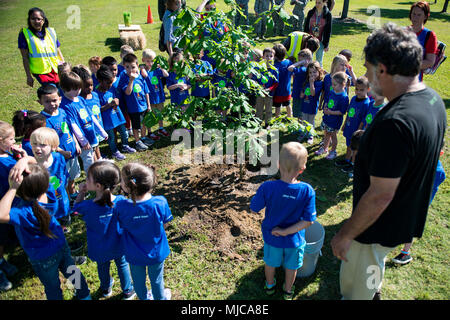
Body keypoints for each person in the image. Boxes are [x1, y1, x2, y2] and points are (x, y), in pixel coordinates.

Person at [331, 22, 446, 300]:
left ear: (382, 69)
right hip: (401, 221)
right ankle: (374, 290)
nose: (366, 79)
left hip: (374, 229)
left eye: (369, 70)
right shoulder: (432, 100)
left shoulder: (394, 123)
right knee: (373, 273)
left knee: (357, 290)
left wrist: (346, 234)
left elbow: (381, 195)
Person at [0, 163, 91, 300]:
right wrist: (25, 158)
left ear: (21, 191)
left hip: (41, 256)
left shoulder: (22, 211)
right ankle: (85, 295)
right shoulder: (49, 195)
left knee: (52, 286)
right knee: (73, 272)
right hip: (60, 245)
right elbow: (39, 169)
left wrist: (12, 188)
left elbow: (1, 214)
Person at [250, 142, 316, 300]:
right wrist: (287, 232)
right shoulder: (307, 191)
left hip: (272, 236)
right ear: (302, 169)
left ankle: (270, 285)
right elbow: (308, 221)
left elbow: (254, 208)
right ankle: (287, 291)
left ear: (278, 164)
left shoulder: (267, 187)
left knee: (270, 262)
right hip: (295, 240)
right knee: (292, 266)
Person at [73, 161, 136, 300]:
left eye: (87, 178)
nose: (85, 180)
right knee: (123, 265)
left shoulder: (87, 206)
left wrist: (81, 193)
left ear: (98, 186)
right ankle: (128, 290)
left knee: (102, 267)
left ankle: (106, 288)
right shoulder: (120, 201)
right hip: (119, 245)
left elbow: (75, 208)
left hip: (99, 247)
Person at [116, 163, 173, 300]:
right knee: (157, 280)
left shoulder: (121, 206)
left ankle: (143, 298)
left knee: (138, 281)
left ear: (128, 186)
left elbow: (120, 226)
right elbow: (165, 223)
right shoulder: (160, 202)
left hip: (133, 254)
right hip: (156, 252)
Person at [392, 146, 446, 265]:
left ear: (440, 153)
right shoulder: (420, 159)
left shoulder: (438, 172)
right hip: (407, 196)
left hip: (418, 202)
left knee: (410, 224)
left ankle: (405, 253)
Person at [59, 71, 107, 174]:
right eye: (75, 89)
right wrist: (83, 141)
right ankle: (91, 180)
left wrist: (101, 131)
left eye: (79, 88)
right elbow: (72, 125)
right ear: (65, 88)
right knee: (88, 160)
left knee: (92, 155)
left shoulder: (80, 99)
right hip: (82, 140)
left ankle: (95, 174)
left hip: (90, 134)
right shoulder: (65, 105)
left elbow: (91, 116)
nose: (78, 91)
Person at [38, 84, 81, 197]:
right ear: (40, 102)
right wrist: (61, 152)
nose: (52, 104)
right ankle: (67, 197)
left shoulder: (62, 112)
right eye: (47, 101)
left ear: (60, 99)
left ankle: (72, 193)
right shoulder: (43, 120)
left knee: (73, 175)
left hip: (72, 151)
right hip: (60, 156)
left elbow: (69, 130)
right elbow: (47, 142)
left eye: (54, 100)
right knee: (63, 179)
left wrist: (76, 143)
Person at [95, 66, 136, 161]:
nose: (110, 84)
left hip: (117, 116)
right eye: (108, 82)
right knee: (112, 137)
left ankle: (125, 145)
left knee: (124, 132)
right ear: (100, 81)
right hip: (108, 121)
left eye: (111, 82)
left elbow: (116, 99)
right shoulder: (96, 94)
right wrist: (109, 105)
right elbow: (98, 110)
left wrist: (116, 101)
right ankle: (114, 151)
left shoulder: (111, 89)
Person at [19, 7, 64, 87]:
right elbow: (25, 57)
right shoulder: (24, 34)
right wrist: (28, 76)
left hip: (56, 69)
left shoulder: (51, 32)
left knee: (62, 90)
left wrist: (64, 65)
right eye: (33, 19)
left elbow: (58, 51)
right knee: (52, 91)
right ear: (29, 20)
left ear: (43, 20)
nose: (36, 21)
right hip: (40, 72)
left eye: (39, 19)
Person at [336, 76, 372, 175]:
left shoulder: (366, 103)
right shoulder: (353, 99)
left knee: (355, 148)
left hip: (356, 130)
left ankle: (352, 163)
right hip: (349, 126)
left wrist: (358, 131)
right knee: (348, 144)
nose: (358, 92)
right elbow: (349, 113)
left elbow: (363, 120)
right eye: (356, 89)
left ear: (368, 90)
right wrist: (344, 124)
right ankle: (347, 159)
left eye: (361, 90)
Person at [119, 53, 154, 150]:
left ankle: (143, 137)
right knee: (136, 126)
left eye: (133, 67)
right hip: (133, 108)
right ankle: (137, 141)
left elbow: (146, 91)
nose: (130, 69)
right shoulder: (124, 78)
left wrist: (149, 105)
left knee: (144, 123)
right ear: (124, 67)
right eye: (127, 67)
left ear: (137, 66)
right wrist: (131, 81)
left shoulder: (140, 77)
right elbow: (127, 92)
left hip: (143, 105)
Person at [315, 71, 349, 160]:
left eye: (335, 84)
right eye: (332, 84)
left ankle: (333, 151)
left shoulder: (344, 97)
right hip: (327, 118)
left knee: (333, 135)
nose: (332, 86)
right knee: (326, 133)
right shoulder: (332, 91)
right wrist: (325, 106)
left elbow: (342, 112)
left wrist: (330, 112)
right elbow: (327, 100)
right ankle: (325, 148)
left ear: (343, 84)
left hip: (334, 121)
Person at [75, 65, 106, 161]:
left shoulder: (95, 95)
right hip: (88, 127)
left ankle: (99, 158)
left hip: (98, 125)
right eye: (86, 86)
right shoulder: (80, 100)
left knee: (97, 144)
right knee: (92, 146)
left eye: (91, 85)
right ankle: (96, 163)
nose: (90, 88)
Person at [141, 49, 170, 138]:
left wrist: (161, 67)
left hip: (159, 96)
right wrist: (142, 67)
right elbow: (145, 75)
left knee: (160, 113)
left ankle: (161, 128)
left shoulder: (156, 70)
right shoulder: (144, 71)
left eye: (152, 61)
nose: (150, 63)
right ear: (143, 60)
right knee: (150, 115)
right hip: (151, 97)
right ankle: (150, 132)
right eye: (148, 61)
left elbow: (166, 75)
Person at [408, 1, 438, 82]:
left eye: (419, 15)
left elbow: (430, 61)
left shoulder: (429, 35)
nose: (415, 17)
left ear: (425, 16)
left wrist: (408, 65)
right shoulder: (402, 31)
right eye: (413, 14)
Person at [299, 61, 324, 143]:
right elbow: (302, 92)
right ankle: (304, 133)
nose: (312, 74)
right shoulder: (306, 81)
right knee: (304, 120)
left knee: (310, 122)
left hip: (312, 106)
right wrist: (302, 94)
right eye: (310, 72)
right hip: (305, 105)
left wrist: (311, 83)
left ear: (319, 72)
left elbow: (313, 93)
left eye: (314, 72)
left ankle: (310, 135)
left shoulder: (319, 83)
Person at [255, 48, 279, 127]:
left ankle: (267, 124)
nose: (268, 58)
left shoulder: (274, 70)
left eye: (271, 56)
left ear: (274, 57)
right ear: (263, 57)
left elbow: (276, 83)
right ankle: (258, 122)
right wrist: (258, 88)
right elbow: (255, 80)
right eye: (267, 56)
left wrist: (269, 89)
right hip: (260, 93)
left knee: (268, 110)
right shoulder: (259, 68)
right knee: (259, 109)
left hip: (269, 94)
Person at [304, 0, 332, 67]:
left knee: (319, 61)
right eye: (316, 2)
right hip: (310, 40)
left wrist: (326, 44)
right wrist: (305, 38)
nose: (317, 4)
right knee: (308, 60)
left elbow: (328, 30)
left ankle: (319, 76)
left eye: (319, 3)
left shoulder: (328, 14)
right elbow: (306, 26)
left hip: (320, 41)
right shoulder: (311, 12)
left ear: (324, 3)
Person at [288, 49, 313, 121]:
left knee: (300, 113)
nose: (298, 60)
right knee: (300, 113)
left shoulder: (302, 69)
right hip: (301, 93)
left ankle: (300, 127)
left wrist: (300, 63)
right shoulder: (306, 69)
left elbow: (290, 68)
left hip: (299, 94)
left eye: (300, 58)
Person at [273, 44, 294, 118]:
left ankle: (277, 118)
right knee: (288, 104)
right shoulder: (289, 62)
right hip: (287, 89)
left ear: (275, 55)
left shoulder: (275, 66)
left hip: (278, 90)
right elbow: (292, 73)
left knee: (277, 106)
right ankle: (289, 116)